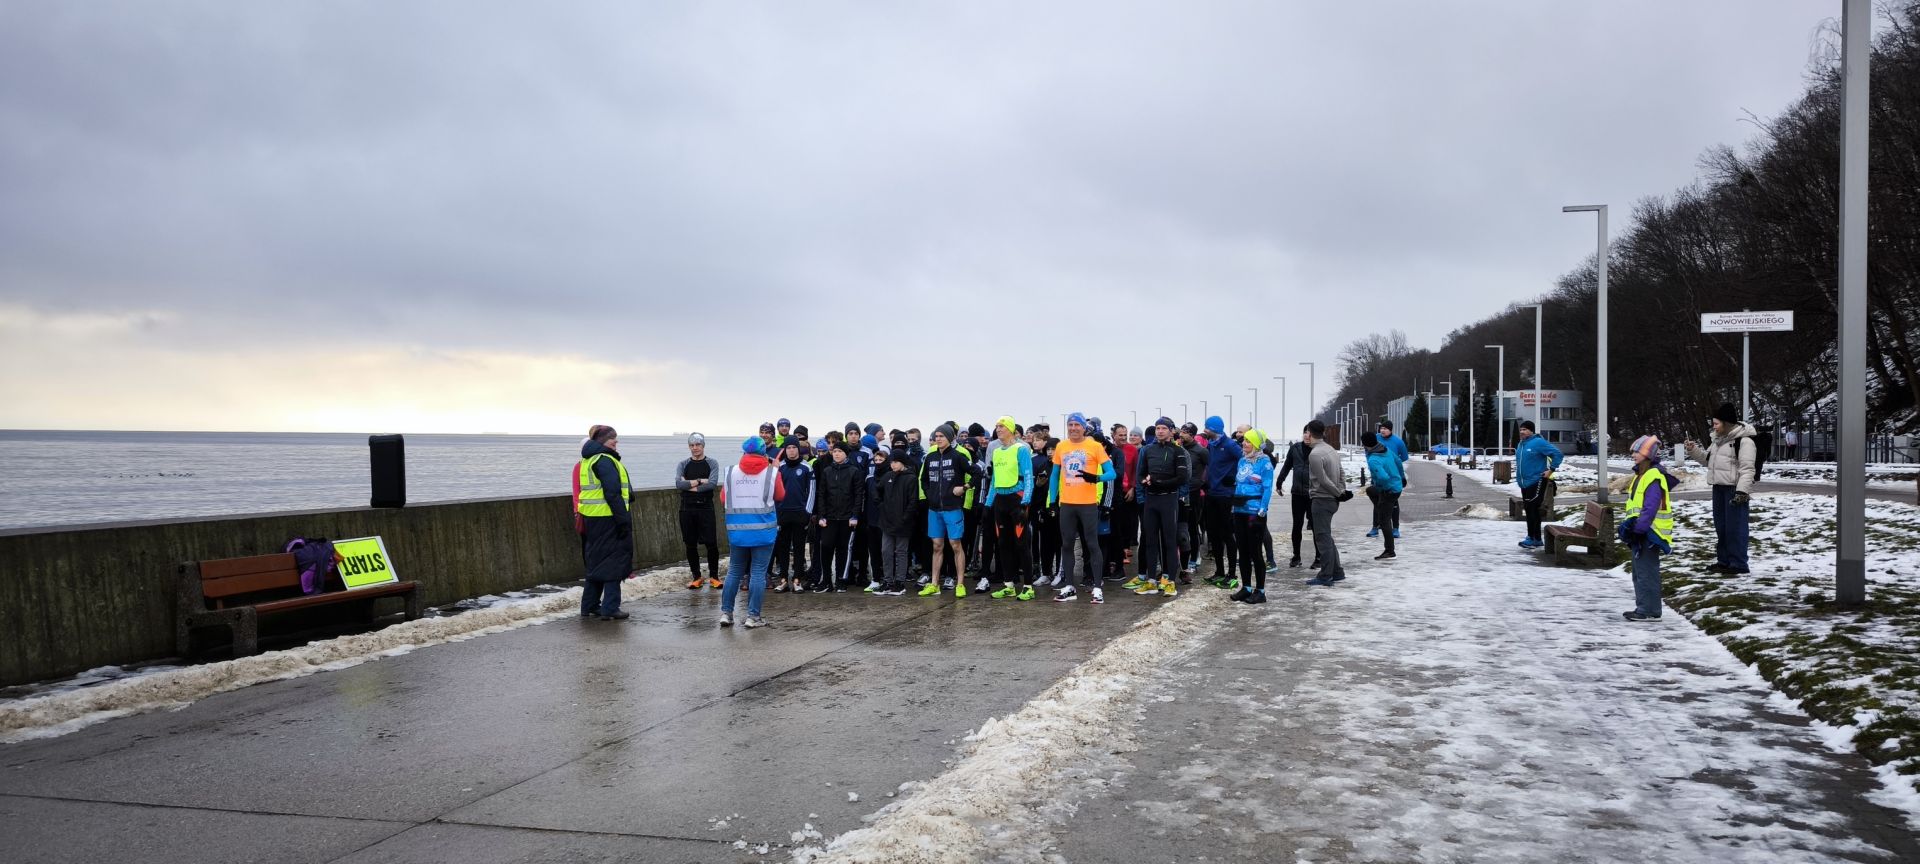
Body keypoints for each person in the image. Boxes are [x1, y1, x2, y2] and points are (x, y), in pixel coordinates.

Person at [1684, 403, 1758, 576]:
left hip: (1734, 490)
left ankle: (1738, 563)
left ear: (1726, 423)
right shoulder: (1718, 440)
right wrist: (1693, 450)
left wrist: (1742, 492)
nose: (1714, 427)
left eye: (1716, 423)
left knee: (1735, 528)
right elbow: (1707, 460)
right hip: (1718, 488)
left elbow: (1747, 470)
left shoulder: (1744, 441)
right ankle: (1724, 562)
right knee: (1722, 527)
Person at [720, 438, 785, 628]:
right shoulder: (772, 472)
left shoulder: (731, 472)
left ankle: (726, 613)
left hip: (737, 532)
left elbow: (723, 498)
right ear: (764, 452)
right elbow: (780, 495)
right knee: (758, 572)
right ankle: (752, 617)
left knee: (734, 571)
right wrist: (776, 469)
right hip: (763, 532)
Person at [1050, 413, 1112, 603]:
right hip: (1067, 504)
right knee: (1067, 544)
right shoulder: (1061, 446)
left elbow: (1112, 473)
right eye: (1070, 424)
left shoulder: (1095, 446)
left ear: (1084, 428)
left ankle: (1097, 588)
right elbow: (1054, 475)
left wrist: (1097, 478)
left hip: (1088, 504)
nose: (1073, 428)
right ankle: (1069, 587)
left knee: (1092, 544)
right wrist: (1052, 501)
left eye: (1077, 425)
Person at [1127, 416, 1190, 595]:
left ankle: (1169, 581)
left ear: (1171, 431)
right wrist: (1145, 484)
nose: (1160, 431)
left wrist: (1158, 482)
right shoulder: (1147, 450)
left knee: (1170, 541)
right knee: (1150, 541)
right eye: (1157, 428)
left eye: (1163, 428)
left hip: (1169, 500)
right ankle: (1151, 581)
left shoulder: (1177, 451)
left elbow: (1182, 478)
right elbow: (1140, 474)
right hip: (1151, 500)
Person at [576, 425, 633, 621]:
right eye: (611, 438)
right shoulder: (604, 460)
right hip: (608, 518)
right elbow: (612, 493)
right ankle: (610, 607)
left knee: (596, 563)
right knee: (613, 563)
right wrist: (623, 521)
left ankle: (589, 605)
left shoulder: (588, 460)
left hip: (592, 518)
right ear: (602, 441)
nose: (616, 441)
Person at [1619, 435, 1676, 621]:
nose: (1633, 455)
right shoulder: (1641, 475)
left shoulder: (1653, 476)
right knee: (1639, 572)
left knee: (1646, 573)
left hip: (1650, 533)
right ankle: (1645, 608)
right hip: (1642, 530)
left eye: (1637, 452)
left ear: (1648, 454)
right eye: (1633, 452)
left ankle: (1648, 610)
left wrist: (1638, 530)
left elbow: (1650, 508)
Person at [917, 424, 978, 597]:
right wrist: (930, 494)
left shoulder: (958, 456)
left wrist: (964, 487)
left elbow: (977, 473)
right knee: (937, 546)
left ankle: (960, 584)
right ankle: (934, 584)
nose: (938, 439)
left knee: (955, 545)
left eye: (941, 436)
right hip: (934, 509)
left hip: (953, 508)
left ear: (950, 438)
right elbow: (923, 479)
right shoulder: (930, 457)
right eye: (936, 436)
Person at [983, 416, 1038, 600]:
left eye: (1002, 426)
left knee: (1022, 544)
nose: (998, 429)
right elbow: (994, 481)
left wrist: (1025, 503)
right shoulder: (997, 451)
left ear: (1011, 429)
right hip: (1001, 500)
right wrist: (987, 504)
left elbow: (1028, 477)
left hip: (1017, 499)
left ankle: (1028, 587)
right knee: (1003, 544)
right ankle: (1008, 586)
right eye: (997, 426)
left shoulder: (1021, 449)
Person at [1227, 429, 1276, 603]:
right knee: (1243, 551)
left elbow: (1267, 488)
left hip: (1254, 512)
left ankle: (1260, 591)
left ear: (1256, 444)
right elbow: (1238, 483)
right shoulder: (1242, 461)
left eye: (1248, 441)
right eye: (1244, 441)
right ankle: (1246, 587)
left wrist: (1263, 509)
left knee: (1255, 551)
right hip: (1239, 509)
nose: (1244, 444)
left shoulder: (1265, 463)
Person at [1303, 420, 1353, 586]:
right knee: (1326, 536)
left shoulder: (1315, 454)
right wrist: (1341, 490)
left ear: (1310, 433)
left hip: (1322, 499)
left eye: (1306, 432)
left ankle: (1325, 575)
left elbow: (1322, 480)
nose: (1305, 435)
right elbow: (1341, 472)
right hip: (1331, 499)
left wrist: (1338, 493)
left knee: (1322, 538)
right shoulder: (1330, 449)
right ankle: (1337, 572)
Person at [812, 441, 866, 593]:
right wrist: (821, 515)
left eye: (840, 451)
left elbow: (858, 495)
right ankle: (826, 580)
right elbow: (821, 494)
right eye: (834, 451)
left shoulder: (854, 471)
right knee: (826, 547)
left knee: (843, 550)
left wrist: (855, 515)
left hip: (846, 518)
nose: (836, 454)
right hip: (829, 518)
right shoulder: (827, 471)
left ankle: (841, 580)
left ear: (846, 454)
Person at [674, 433, 723, 589]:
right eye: (692, 445)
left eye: (698, 445)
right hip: (687, 508)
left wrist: (689, 485)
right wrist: (701, 481)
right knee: (690, 544)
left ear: (703, 446)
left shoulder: (712, 463)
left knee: (711, 543)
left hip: (705, 507)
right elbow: (679, 485)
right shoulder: (683, 464)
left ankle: (714, 577)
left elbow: (712, 484)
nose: (695, 448)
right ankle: (696, 577)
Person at [772, 440, 815, 592]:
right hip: (782, 513)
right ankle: (783, 580)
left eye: (794, 447)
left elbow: (812, 491)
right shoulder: (779, 467)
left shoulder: (806, 467)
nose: (791, 450)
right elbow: (772, 490)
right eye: (788, 448)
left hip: (800, 514)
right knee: (782, 547)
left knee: (799, 547)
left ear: (798, 449)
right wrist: (775, 512)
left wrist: (807, 513)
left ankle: (797, 579)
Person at [1514, 420, 1565, 549]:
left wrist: (1551, 470)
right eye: (1521, 429)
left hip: (1536, 480)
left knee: (1533, 508)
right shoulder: (1521, 444)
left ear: (1531, 431)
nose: (1522, 432)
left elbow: (1557, 454)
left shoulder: (1538, 442)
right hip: (1524, 483)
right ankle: (1531, 536)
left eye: (1525, 429)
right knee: (1529, 509)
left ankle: (1535, 538)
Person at [1201, 416, 1241, 580]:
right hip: (1211, 494)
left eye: (1207, 428)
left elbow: (1244, 461)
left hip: (1226, 495)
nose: (1205, 430)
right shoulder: (1211, 445)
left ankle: (1231, 573)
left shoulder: (1230, 445)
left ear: (1214, 429)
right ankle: (1219, 571)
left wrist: (1234, 478)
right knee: (1213, 534)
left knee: (1227, 534)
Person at [874, 451, 917, 596]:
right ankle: (888, 582)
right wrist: (881, 506)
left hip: (903, 523)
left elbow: (913, 502)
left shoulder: (911, 478)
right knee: (886, 551)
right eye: (891, 462)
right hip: (887, 521)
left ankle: (900, 582)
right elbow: (877, 491)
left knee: (901, 552)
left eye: (896, 462)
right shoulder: (888, 476)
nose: (893, 465)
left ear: (903, 462)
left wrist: (905, 518)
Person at [1274, 433, 1316, 568]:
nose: (1307, 436)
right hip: (1297, 492)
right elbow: (1287, 466)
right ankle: (1296, 556)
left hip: (1314, 493)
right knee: (1297, 525)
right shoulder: (1295, 448)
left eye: (1311, 434)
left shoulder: (1319, 449)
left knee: (1316, 526)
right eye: (1305, 433)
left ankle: (1319, 556)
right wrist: (1279, 482)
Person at [1027, 424, 1062, 586]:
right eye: (1048, 449)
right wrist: (1038, 485)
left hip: (1060, 509)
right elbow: (1037, 490)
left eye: (1053, 449)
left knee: (1059, 543)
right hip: (1043, 510)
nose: (1050, 452)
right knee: (1045, 543)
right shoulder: (1042, 465)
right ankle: (1045, 573)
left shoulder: (1063, 467)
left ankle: (1060, 573)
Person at [1362, 430, 1404, 560]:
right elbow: (1398, 461)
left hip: (1389, 490)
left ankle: (1390, 551)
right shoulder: (1385, 449)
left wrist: (1384, 488)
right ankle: (1381, 507)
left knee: (1384, 521)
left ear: (1365, 444)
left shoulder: (1373, 459)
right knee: (1370, 490)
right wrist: (1402, 477)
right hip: (1397, 486)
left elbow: (1383, 478)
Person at [1374, 420, 1411, 538]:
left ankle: (1395, 528)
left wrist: (1393, 463)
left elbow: (1404, 457)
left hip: (1393, 476)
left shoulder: (1398, 442)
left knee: (1393, 501)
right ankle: (1375, 527)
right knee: (1377, 500)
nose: (1382, 430)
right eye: (1381, 428)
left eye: (1385, 428)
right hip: (1378, 474)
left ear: (1390, 430)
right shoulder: (1376, 438)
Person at [1180, 423, 1209, 574]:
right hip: (1181, 493)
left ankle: (1194, 559)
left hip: (1194, 493)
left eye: (1184, 432)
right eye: (1181, 431)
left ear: (1192, 435)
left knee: (1192, 527)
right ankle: (1183, 559)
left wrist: (1202, 484)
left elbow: (1210, 469)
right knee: (1182, 527)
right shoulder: (1179, 448)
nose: (1181, 434)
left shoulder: (1201, 451)